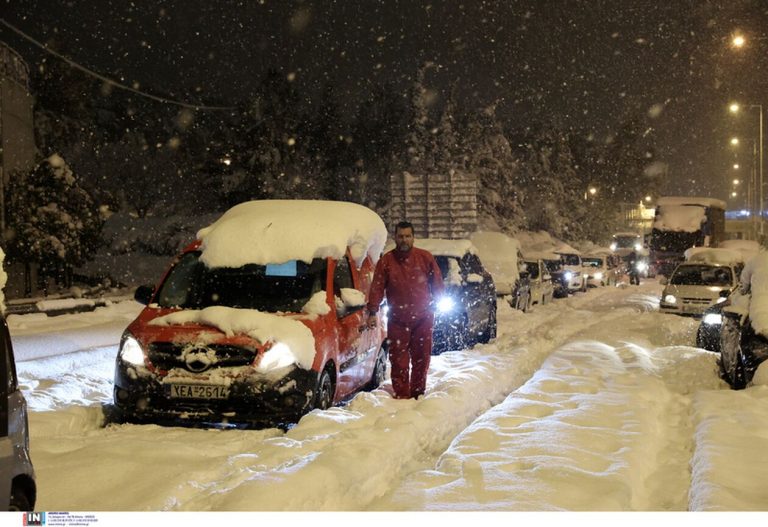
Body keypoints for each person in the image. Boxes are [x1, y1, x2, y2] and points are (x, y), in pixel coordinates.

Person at [366, 221, 444, 399]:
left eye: (408, 236)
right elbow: (377, 286)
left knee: (421, 357)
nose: (404, 240)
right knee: (398, 360)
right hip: (398, 319)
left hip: (423, 317)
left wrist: (437, 301)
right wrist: (372, 310)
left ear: (413, 237)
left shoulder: (425, 258)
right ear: (395, 237)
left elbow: (437, 282)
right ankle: (401, 394)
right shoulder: (387, 261)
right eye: (401, 236)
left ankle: (418, 392)